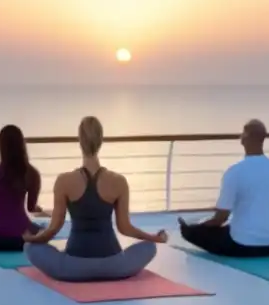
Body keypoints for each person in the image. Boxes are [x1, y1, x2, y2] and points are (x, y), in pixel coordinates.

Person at [22, 116, 166, 281]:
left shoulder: (64, 181)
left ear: (80, 140)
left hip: (73, 266)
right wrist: (152, 238)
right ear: (101, 140)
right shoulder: (118, 181)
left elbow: (53, 229)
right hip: (114, 265)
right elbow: (125, 228)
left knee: (30, 247)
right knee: (150, 247)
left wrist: (34, 239)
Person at [179, 119, 269, 257]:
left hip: (241, 246)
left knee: (189, 231)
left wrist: (199, 226)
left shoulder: (235, 172)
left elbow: (221, 218)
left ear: (244, 138)